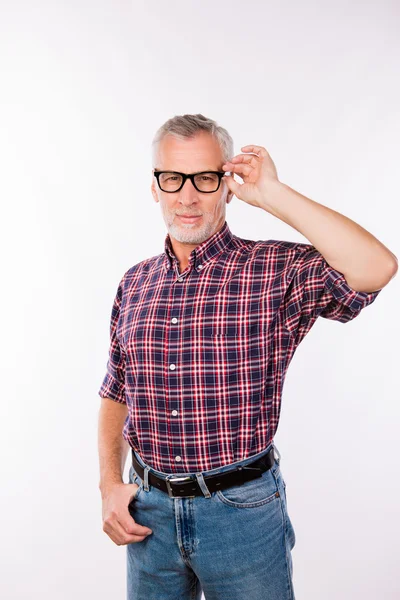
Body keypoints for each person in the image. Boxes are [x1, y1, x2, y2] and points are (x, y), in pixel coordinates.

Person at [97, 113, 397, 600]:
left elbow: (376, 267)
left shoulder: (273, 270)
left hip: (241, 516)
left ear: (228, 184)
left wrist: (274, 194)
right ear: (155, 186)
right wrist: (110, 483)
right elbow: (116, 390)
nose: (187, 196)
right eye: (172, 178)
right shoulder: (135, 283)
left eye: (206, 178)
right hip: (147, 516)